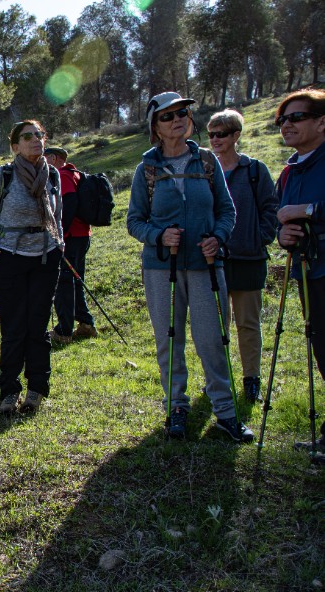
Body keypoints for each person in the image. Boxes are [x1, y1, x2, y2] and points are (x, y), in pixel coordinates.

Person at [127, 91, 252, 443]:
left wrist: (219, 237)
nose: (177, 119)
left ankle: (225, 412)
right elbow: (134, 221)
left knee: (213, 340)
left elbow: (227, 212)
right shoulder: (147, 169)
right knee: (170, 339)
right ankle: (176, 407)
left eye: (182, 112)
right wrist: (158, 235)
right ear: (155, 126)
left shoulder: (208, 162)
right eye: (167, 116)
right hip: (160, 269)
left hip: (206, 266)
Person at [0, 120, 63, 414]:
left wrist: (60, 245)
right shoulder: (4, 175)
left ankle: (36, 389)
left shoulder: (52, 173)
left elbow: (58, 215)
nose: (35, 140)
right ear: (15, 146)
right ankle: (9, 391)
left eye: (39, 134)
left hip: (45, 259)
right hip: (9, 261)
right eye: (27, 137)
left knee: (38, 327)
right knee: (14, 327)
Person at [206, 109, 278, 402]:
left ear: (236, 135)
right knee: (216, 326)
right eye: (211, 134)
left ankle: (251, 379)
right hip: (214, 261)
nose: (215, 140)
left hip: (249, 259)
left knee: (248, 324)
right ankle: (219, 381)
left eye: (221, 134)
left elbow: (270, 207)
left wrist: (259, 238)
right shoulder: (206, 171)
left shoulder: (254, 170)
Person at [272, 88, 325, 464]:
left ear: (322, 122)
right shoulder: (290, 171)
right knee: (323, 351)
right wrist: (284, 234)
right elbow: (281, 217)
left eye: (297, 117)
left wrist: (306, 210)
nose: (287, 124)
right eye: (282, 119)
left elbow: (299, 210)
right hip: (311, 271)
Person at [45, 147, 97, 344]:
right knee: (76, 281)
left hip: (70, 237)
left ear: (53, 158)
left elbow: (69, 203)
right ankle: (86, 324)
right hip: (82, 235)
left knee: (63, 283)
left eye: (45, 158)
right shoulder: (77, 174)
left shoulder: (63, 176)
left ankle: (64, 331)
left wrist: (59, 235)